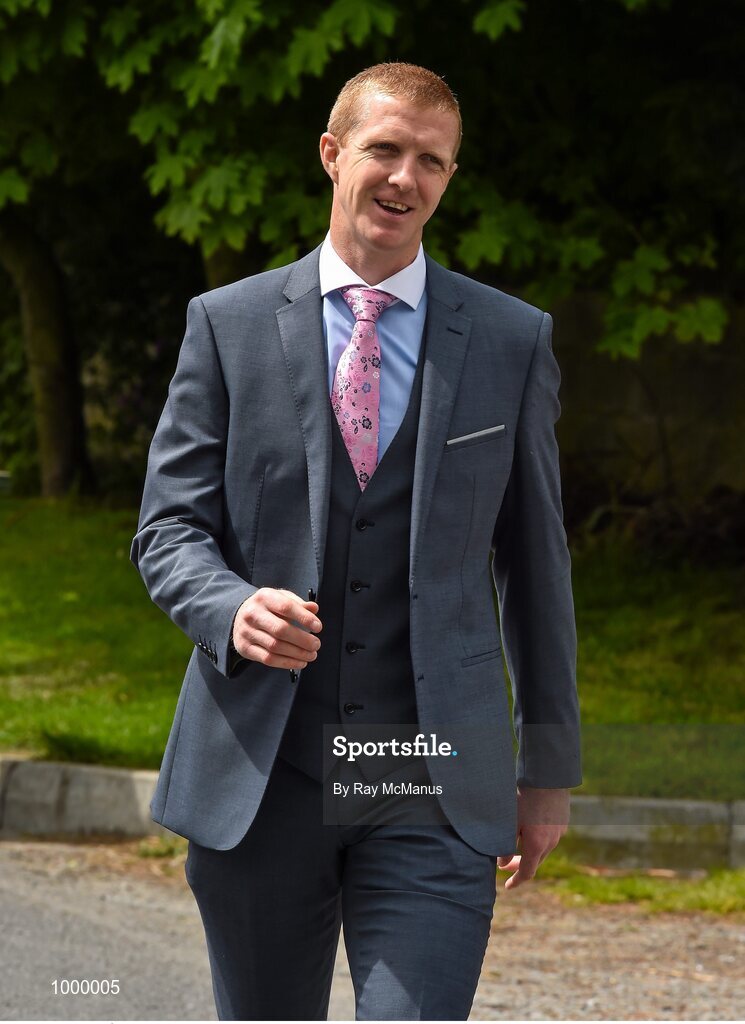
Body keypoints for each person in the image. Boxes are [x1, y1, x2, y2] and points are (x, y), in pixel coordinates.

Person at [131, 62, 581, 1021]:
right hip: (265, 768)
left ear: (449, 178)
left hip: (427, 770)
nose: (404, 178)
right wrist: (231, 606)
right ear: (333, 154)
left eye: (431, 160)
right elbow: (168, 529)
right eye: (384, 149)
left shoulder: (510, 340)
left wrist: (546, 771)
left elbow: (538, 570)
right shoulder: (227, 326)